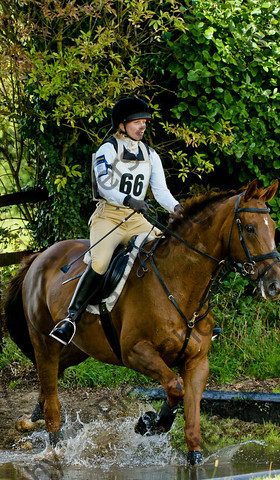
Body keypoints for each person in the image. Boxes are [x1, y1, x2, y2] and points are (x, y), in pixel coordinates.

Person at [50, 97, 184, 346]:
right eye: (137, 122)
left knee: (168, 252)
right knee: (100, 262)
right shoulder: (108, 149)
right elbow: (104, 184)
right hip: (108, 217)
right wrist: (129, 200)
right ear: (122, 124)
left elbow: (161, 191)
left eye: (144, 122)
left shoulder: (150, 154)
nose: (142, 126)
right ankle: (70, 318)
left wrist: (175, 207)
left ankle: (182, 319)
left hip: (137, 220)